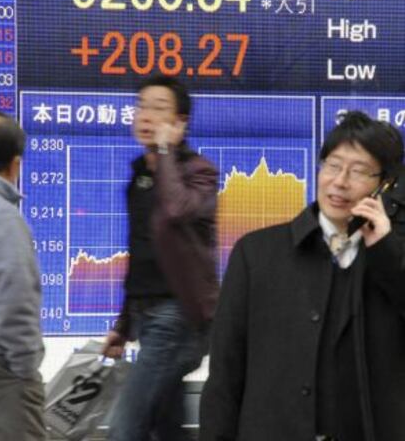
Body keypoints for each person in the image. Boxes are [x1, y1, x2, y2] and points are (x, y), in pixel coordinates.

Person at [200, 111, 405, 441]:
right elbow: (225, 373)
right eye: (334, 165)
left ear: (383, 185)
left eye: (359, 171)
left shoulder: (390, 259)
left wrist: (387, 252)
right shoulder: (256, 254)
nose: (340, 181)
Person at [103, 76, 219, 441]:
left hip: (178, 318)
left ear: (181, 122)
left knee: (124, 427)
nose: (145, 115)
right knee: (165, 428)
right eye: (141, 106)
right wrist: (123, 326)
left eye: (158, 108)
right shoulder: (139, 175)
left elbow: (176, 210)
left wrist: (167, 153)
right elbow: (142, 256)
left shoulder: (200, 172)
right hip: (146, 316)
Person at [0, 112, 46, 440]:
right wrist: (26, 370)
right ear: (15, 165)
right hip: (2, 376)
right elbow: (15, 302)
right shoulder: (4, 219)